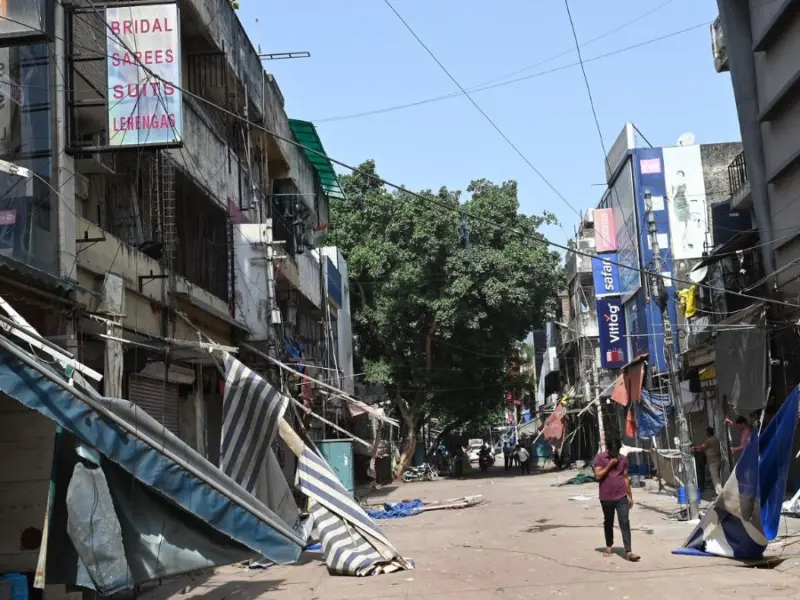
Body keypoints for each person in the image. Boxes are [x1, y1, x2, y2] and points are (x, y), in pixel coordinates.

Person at [594, 438, 639, 562]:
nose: (615, 453)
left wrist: (630, 495)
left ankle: (629, 551)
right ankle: (609, 545)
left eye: (617, 450)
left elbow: (625, 477)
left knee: (624, 521)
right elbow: (597, 475)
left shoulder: (624, 460)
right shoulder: (600, 458)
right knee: (608, 521)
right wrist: (610, 465)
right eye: (613, 450)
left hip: (621, 496)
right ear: (608, 449)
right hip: (606, 496)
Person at [692, 427, 723, 495]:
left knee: (715, 479)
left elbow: (702, 447)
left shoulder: (709, 440)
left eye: (706, 433)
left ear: (708, 433)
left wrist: (694, 447)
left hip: (713, 462)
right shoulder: (716, 439)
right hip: (717, 460)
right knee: (717, 477)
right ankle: (719, 493)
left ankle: (720, 494)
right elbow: (703, 449)